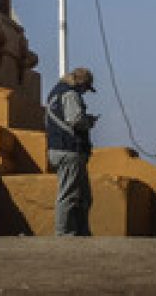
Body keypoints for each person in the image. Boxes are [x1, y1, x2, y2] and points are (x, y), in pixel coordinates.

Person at [45, 66, 99, 236]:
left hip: (61, 149)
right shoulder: (70, 94)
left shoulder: (55, 93)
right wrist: (89, 121)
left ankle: (81, 232)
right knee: (68, 195)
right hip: (68, 149)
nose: (85, 93)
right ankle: (65, 234)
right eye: (85, 89)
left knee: (84, 196)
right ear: (82, 84)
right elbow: (75, 119)